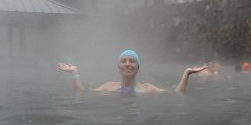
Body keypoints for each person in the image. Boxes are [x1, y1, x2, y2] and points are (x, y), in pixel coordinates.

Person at [57, 49, 208, 95]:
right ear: (118, 67)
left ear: (138, 66)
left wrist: (187, 73)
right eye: (123, 61)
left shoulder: (148, 89)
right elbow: (81, 93)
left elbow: (176, 95)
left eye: (132, 61)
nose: (127, 64)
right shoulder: (108, 87)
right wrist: (74, 72)